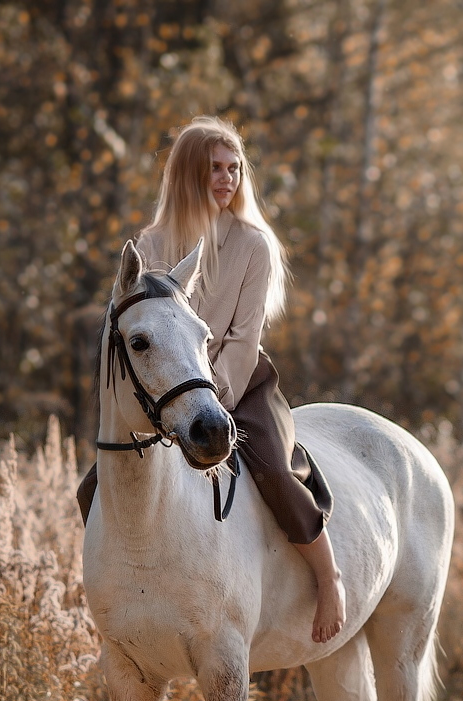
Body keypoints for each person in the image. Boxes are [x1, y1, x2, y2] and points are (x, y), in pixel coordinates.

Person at [78, 116, 344, 643]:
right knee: (94, 486)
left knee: (274, 465)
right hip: (165, 391)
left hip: (236, 383)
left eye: (234, 168)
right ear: (186, 175)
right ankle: (114, 591)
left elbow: (244, 337)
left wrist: (207, 398)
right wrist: (174, 400)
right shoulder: (149, 246)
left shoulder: (254, 245)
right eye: (213, 168)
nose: (226, 178)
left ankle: (327, 573)